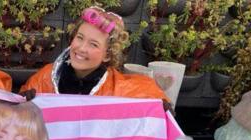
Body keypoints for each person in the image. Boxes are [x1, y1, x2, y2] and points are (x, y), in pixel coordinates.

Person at [21, 6, 170, 104]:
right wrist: (24, 103)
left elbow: (146, 90)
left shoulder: (118, 87)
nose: (81, 48)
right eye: (79, 38)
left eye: (93, 44)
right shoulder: (45, 77)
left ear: (107, 55)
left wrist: (161, 105)